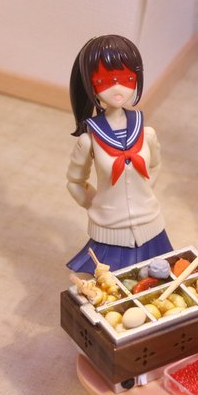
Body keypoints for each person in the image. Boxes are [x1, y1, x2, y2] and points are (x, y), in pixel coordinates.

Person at [66, 35, 172, 274]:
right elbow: (74, 182)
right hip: (109, 230)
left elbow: (155, 166)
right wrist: (97, 204)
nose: (117, 88)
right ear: (90, 84)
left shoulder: (146, 133)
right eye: (104, 80)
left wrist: (145, 191)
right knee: (110, 285)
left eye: (127, 78)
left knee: (159, 278)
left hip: (151, 225)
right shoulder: (89, 140)